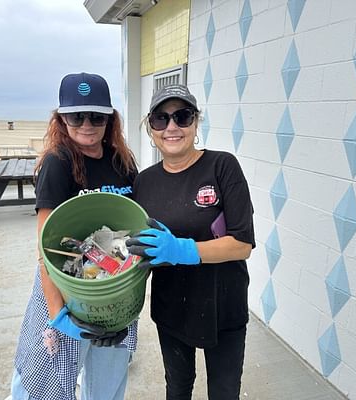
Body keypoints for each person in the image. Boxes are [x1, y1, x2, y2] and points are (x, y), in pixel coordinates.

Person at [10, 72, 139, 400]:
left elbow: (136, 225)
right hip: (66, 288)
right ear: (60, 118)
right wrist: (57, 315)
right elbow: (45, 248)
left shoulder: (121, 161)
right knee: (44, 381)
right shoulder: (58, 162)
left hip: (115, 288)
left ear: (110, 119)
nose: (87, 124)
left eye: (96, 116)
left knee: (108, 381)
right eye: (76, 116)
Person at [126, 84, 256, 400]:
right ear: (150, 128)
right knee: (178, 388)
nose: (172, 127)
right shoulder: (144, 181)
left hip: (223, 304)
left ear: (196, 123)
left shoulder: (222, 166)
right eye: (161, 119)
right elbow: (138, 248)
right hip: (172, 306)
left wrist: (183, 249)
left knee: (224, 393)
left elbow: (242, 244)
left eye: (182, 117)